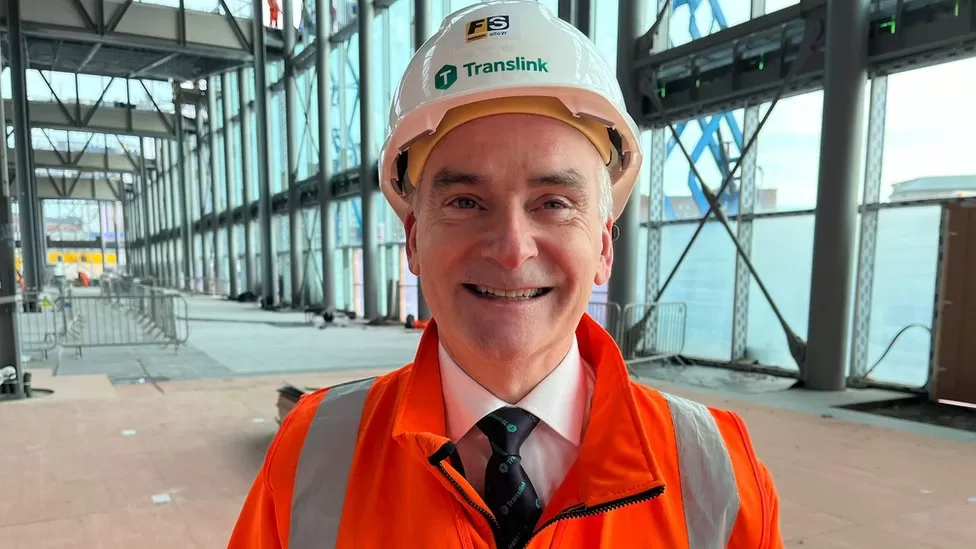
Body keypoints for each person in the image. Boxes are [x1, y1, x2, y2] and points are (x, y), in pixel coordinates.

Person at [229, 2, 782, 548]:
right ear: (415, 241)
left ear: (605, 246)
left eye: (554, 203)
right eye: (467, 201)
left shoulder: (718, 474)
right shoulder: (313, 453)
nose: (512, 250)